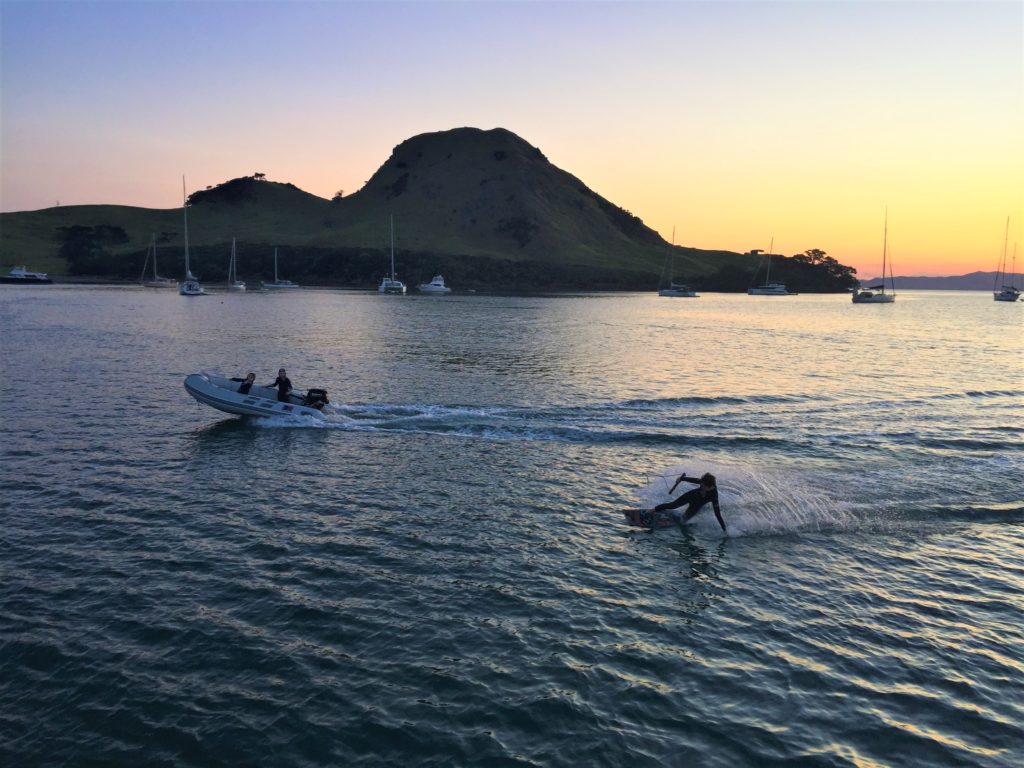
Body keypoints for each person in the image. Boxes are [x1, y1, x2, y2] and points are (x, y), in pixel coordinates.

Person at [651, 472, 727, 534]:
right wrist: (681, 479)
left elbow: (718, 515)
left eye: (703, 486)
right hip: (690, 495)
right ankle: (653, 510)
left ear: (710, 487)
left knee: (683, 521)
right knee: (672, 505)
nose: (701, 485)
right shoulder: (704, 482)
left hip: (696, 506)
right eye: (701, 484)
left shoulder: (714, 496)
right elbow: (695, 480)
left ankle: (671, 519)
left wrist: (725, 530)